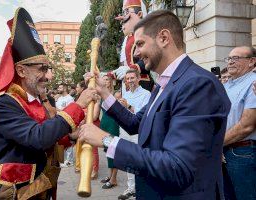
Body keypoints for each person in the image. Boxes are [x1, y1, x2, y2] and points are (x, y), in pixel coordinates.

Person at [79, 10, 231, 199]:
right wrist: (104, 92)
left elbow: (178, 166)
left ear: (164, 38)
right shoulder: (164, 84)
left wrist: (106, 141)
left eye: (140, 43)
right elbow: (135, 123)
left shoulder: (198, 84)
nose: (136, 53)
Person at [0, 8, 96, 200]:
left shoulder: (39, 100)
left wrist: (71, 136)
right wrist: (78, 106)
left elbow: (50, 133)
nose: (47, 76)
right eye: (42, 69)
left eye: (48, 69)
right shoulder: (3, 104)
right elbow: (37, 137)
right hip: (17, 194)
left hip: (43, 188)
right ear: (21, 71)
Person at [223, 46, 256, 200]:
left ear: (252, 62)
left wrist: (215, 144)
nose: (230, 62)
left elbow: (246, 126)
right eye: (229, 58)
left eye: (235, 58)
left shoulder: (253, 84)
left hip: (243, 152)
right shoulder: (226, 85)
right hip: (223, 153)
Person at [117, 69, 150, 199]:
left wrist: (128, 106)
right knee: (128, 160)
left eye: (132, 78)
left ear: (138, 78)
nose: (130, 81)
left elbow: (144, 115)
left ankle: (141, 188)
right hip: (124, 131)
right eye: (128, 79)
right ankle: (131, 188)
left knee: (139, 160)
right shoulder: (125, 93)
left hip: (137, 132)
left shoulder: (146, 94)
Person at [114, 0, 154, 92]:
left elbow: (149, 58)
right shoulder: (127, 39)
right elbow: (124, 66)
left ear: (139, 14)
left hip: (142, 82)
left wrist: (131, 69)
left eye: (127, 13)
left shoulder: (145, 34)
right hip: (128, 82)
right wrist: (109, 74)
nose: (123, 25)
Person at [74, 81, 101, 180]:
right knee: (84, 148)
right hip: (85, 126)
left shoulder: (97, 101)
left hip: (93, 126)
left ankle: (95, 170)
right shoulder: (85, 101)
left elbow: (94, 116)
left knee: (93, 150)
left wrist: (84, 116)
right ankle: (86, 167)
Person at [99, 74, 120, 189]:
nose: (105, 81)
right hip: (105, 124)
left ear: (111, 81)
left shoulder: (116, 94)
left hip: (114, 124)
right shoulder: (102, 95)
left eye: (107, 79)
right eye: (104, 80)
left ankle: (114, 179)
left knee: (114, 151)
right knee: (108, 151)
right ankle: (110, 175)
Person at [55, 83, 75, 167]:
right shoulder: (59, 98)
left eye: (60, 87)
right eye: (58, 87)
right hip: (58, 121)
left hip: (66, 121)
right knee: (61, 140)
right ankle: (62, 159)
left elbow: (70, 110)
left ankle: (69, 161)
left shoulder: (70, 99)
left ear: (65, 88)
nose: (58, 89)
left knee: (68, 140)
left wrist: (58, 110)